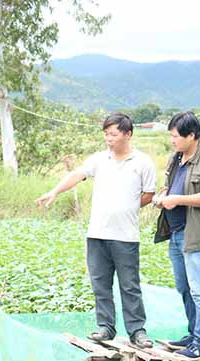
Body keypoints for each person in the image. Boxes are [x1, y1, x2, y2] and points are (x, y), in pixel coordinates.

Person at [37, 113, 156, 349]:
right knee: (100, 284)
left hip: (126, 236)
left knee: (129, 285)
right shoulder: (99, 160)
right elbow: (76, 175)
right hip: (97, 235)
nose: (109, 139)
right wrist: (54, 191)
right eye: (106, 134)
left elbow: (148, 195)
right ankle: (105, 327)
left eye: (114, 134)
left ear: (128, 134)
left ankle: (137, 331)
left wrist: (127, 208)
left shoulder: (143, 162)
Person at [153, 111, 200, 359]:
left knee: (199, 289)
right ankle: (193, 332)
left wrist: (177, 199)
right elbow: (170, 184)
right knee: (183, 287)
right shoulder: (176, 159)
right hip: (174, 232)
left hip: (194, 233)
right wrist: (163, 196)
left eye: (175, 136)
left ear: (191, 135)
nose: (172, 140)